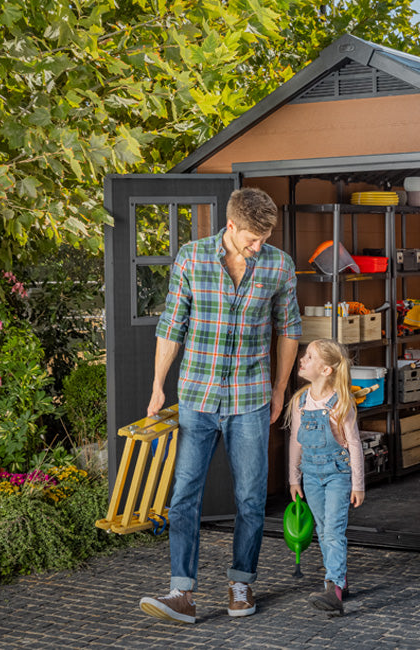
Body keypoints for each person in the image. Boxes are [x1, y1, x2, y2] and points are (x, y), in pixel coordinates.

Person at [139, 187, 301, 625]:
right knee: (184, 495)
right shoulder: (191, 259)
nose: (258, 246)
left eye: (264, 239)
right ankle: (181, 593)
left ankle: (241, 583)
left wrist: (280, 389)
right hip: (198, 396)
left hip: (250, 399)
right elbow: (171, 325)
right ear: (230, 226)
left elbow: (289, 329)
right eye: (252, 238)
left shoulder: (279, 265)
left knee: (250, 497)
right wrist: (157, 386)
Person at [286, 338, 365, 615]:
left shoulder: (341, 403)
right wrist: (293, 478)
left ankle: (333, 589)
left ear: (326, 370)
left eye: (309, 357)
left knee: (333, 531)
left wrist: (358, 485)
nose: (302, 359)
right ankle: (340, 579)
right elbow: (296, 441)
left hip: (337, 476)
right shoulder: (300, 401)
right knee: (323, 531)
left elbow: (354, 444)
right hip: (311, 476)